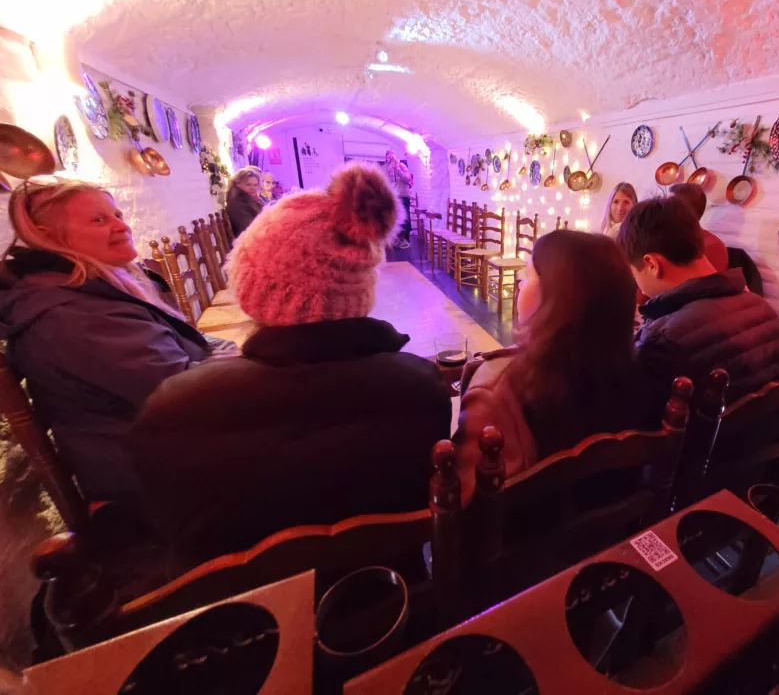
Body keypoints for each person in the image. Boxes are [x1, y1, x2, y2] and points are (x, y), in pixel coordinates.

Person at [132, 165, 451, 559]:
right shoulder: (422, 385)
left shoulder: (174, 407)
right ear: (360, 288)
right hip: (395, 589)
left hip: (249, 612)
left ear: (250, 286)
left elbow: (174, 533)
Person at [0, 178, 209, 502]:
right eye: (99, 219)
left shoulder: (90, 287)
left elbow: (186, 352)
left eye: (117, 214)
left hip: (164, 445)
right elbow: (186, 396)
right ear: (45, 235)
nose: (121, 226)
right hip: (153, 480)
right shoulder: (71, 316)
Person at [454, 229, 660, 502]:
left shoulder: (497, 389)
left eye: (528, 276)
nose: (518, 284)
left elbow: (468, 504)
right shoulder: (640, 367)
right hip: (615, 533)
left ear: (556, 299)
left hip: (525, 541)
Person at [618, 196, 779, 406]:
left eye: (634, 273)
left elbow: (636, 421)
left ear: (651, 264)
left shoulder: (662, 341)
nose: (639, 287)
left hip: (709, 439)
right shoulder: (761, 307)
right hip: (773, 436)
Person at [669, 182, 729, 272]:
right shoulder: (670, 238)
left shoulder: (711, 247)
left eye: (668, 205)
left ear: (685, 212)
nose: (662, 209)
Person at [384, 150, 413, 250]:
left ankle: (406, 239)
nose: (391, 159)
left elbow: (407, 179)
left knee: (405, 218)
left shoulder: (402, 166)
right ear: (386, 158)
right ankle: (397, 239)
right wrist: (388, 170)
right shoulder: (386, 168)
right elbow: (382, 180)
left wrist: (397, 169)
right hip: (393, 197)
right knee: (395, 219)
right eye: (389, 157)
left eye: (392, 157)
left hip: (403, 195)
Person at [225, 166, 265, 236]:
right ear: (237, 184)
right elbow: (248, 229)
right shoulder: (236, 205)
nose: (253, 188)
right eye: (248, 184)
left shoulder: (251, 200)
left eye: (255, 185)